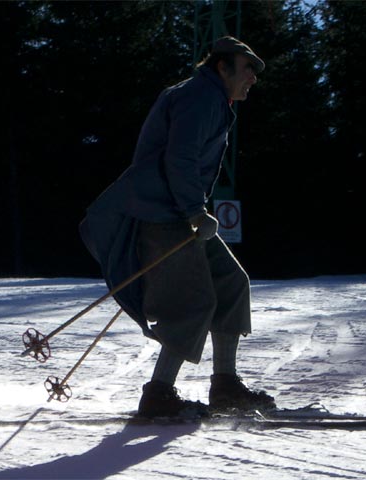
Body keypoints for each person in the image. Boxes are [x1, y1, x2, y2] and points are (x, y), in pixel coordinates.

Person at [80, 37, 276, 418]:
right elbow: (180, 157)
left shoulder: (214, 100)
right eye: (247, 66)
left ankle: (225, 385)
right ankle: (158, 395)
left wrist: (192, 211)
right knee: (191, 301)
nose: (253, 76)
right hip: (164, 215)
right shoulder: (200, 97)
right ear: (222, 67)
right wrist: (193, 211)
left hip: (179, 212)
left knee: (230, 283)